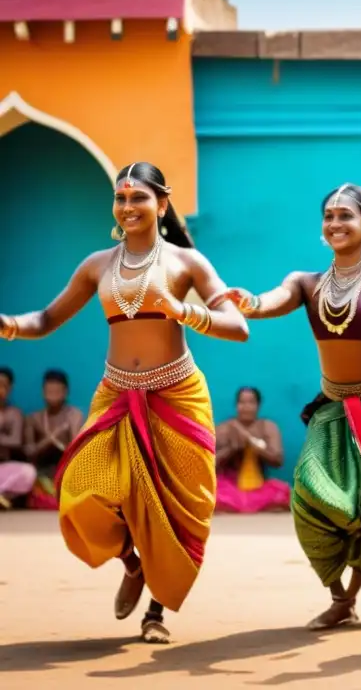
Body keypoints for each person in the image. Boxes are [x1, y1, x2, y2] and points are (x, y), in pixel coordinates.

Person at [0, 161, 249, 643]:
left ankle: (155, 614)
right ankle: (132, 563)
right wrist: (8, 324)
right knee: (81, 493)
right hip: (115, 394)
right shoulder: (97, 264)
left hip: (177, 395)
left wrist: (185, 311)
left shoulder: (187, 263)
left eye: (139, 197)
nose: (129, 206)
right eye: (121, 198)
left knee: (172, 510)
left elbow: (238, 327)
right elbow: (47, 317)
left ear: (163, 201)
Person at [212, 183, 361, 630]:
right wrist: (251, 303)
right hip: (334, 407)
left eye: (345, 216)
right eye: (329, 216)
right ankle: (338, 594)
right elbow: (273, 301)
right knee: (312, 495)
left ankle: (346, 601)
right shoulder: (306, 282)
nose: (335, 223)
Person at [215, 386, 291, 513]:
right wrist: (231, 450)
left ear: (258, 405)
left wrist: (253, 444)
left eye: (251, 402)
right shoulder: (225, 428)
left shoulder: (267, 427)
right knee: (209, 497)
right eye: (242, 402)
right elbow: (210, 463)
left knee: (284, 496)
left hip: (259, 487)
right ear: (236, 405)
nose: (246, 407)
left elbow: (278, 460)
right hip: (229, 488)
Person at [25, 369, 84, 510]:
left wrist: (59, 443)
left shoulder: (74, 415)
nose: (52, 395)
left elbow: (77, 449)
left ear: (65, 392)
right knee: (29, 478)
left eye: (57, 391)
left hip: (67, 472)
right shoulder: (34, 418)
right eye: (49, 391)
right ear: (43, 391)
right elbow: (28, 451)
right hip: (42, 472)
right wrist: (48, 440)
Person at [0, 368, 35, 510]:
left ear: (10, 388)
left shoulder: (14, 413)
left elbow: (15, 441)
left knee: (28, 472)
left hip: (2, 468)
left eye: (3, 385)